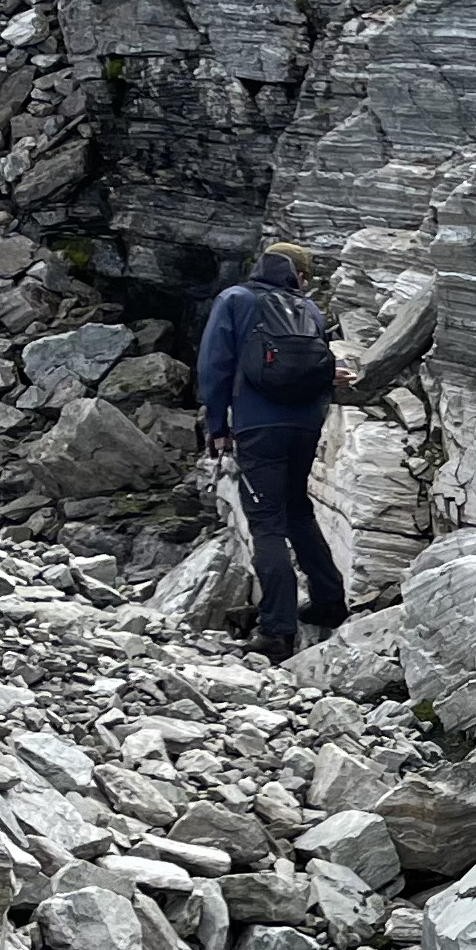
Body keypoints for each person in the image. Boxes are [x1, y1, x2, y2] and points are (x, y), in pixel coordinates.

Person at [197, 242, 351, 660]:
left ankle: (276, 630)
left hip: (258, 425)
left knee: (266, 523)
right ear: (296, 275)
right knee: (297, 510)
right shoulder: (309, 310)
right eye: (305, 276)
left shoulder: (235, 300)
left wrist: (217, 426)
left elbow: (214, 365)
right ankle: (329, 601)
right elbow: (315, 367)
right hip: (305, 425)